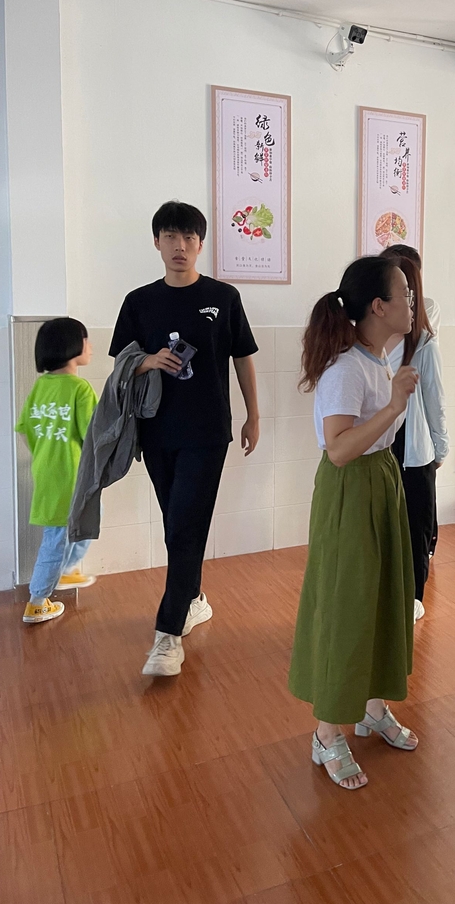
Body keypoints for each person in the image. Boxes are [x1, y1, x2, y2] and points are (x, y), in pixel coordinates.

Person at [109, 201, 260, 677]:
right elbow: (122, 363)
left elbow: (243, 356)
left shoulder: (223, 296)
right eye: (171, 236)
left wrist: (253, 415)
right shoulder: (139, 301)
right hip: (155, 430)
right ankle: (193, 597)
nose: (180, 246)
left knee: (185, 526)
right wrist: (149, 360)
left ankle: (167, 635)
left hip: (208, 431)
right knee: (176, 522)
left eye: (189, 237)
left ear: (201, 243)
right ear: (157, 242)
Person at [288, 256, 419, 790]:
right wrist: (393, 406)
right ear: (379, 307)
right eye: (404, 293)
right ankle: (326, 733)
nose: (412, 302)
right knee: (346, 606)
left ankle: (370, 708)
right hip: (351, 489)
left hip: (381, 480)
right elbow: (339, 450)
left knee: (383, 597)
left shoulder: (376, 358)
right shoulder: (346, 369)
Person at [15, 318, 98, 623]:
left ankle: (67, 570)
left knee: (68, 529)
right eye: (86, 340)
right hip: (72, 475)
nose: (90, 347)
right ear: (72, 346)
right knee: (60, 538)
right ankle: (39, 600)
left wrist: (44, 454)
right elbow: (93, 435)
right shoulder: (80, 388)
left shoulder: (41, 386)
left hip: (46, 472)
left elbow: (24, 430)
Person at [386, 254, 449, 621]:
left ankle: (412, 597)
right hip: (377, 444)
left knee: (415, 527)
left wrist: (440, 448)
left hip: (412, 448)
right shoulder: (361, 340)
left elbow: (435, 400)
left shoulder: (423, 342)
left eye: (407, 292)